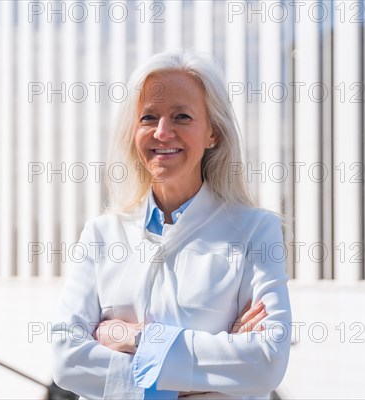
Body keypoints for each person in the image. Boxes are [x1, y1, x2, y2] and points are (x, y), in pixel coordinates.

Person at [51, 51, 292, 400]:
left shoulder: (256, 232)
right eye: (149, 117)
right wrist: (200, 381)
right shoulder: (101, 235)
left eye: (182, 116)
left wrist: (136, 338)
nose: (163, 132)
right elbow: (66, 360)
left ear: (213, 133)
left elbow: (266, 362)